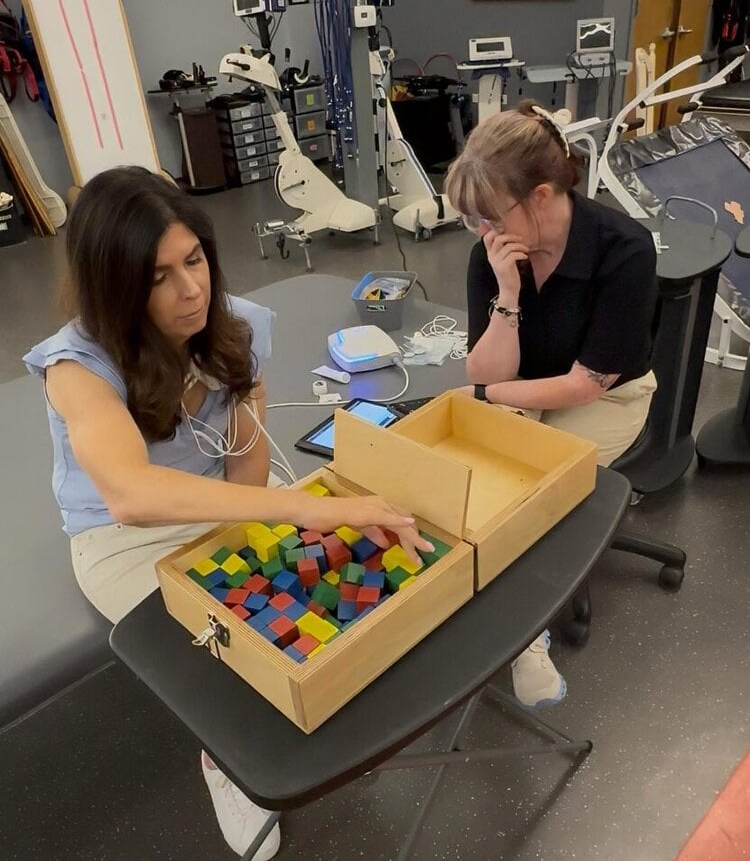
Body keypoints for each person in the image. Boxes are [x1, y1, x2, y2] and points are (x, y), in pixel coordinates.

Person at [23, 167, 433, 860]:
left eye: (195, 260)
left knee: (316, 587)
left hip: (224, 496)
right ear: (115, 285)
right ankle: (223, 759)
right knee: (228, 654)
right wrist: (299, 511)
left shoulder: (227, 327)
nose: (191, 289)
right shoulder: (78, 367)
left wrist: (271, 534)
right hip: (122, 536)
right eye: (159, 276)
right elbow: (132, 496)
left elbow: (244, 464)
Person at [444, 101, 658, 710]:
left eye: (489, 215)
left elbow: (586, 384)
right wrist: (508, 292)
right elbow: (484, 368)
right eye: (471, 219)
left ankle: (525, 636)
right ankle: (476, 605)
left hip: (608, 396)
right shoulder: (493, 251)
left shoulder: (623, 248)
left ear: (541, 195)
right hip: (525, 387)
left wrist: (488, 398)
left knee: (529, 491)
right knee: (469, 478)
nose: (481, 230)